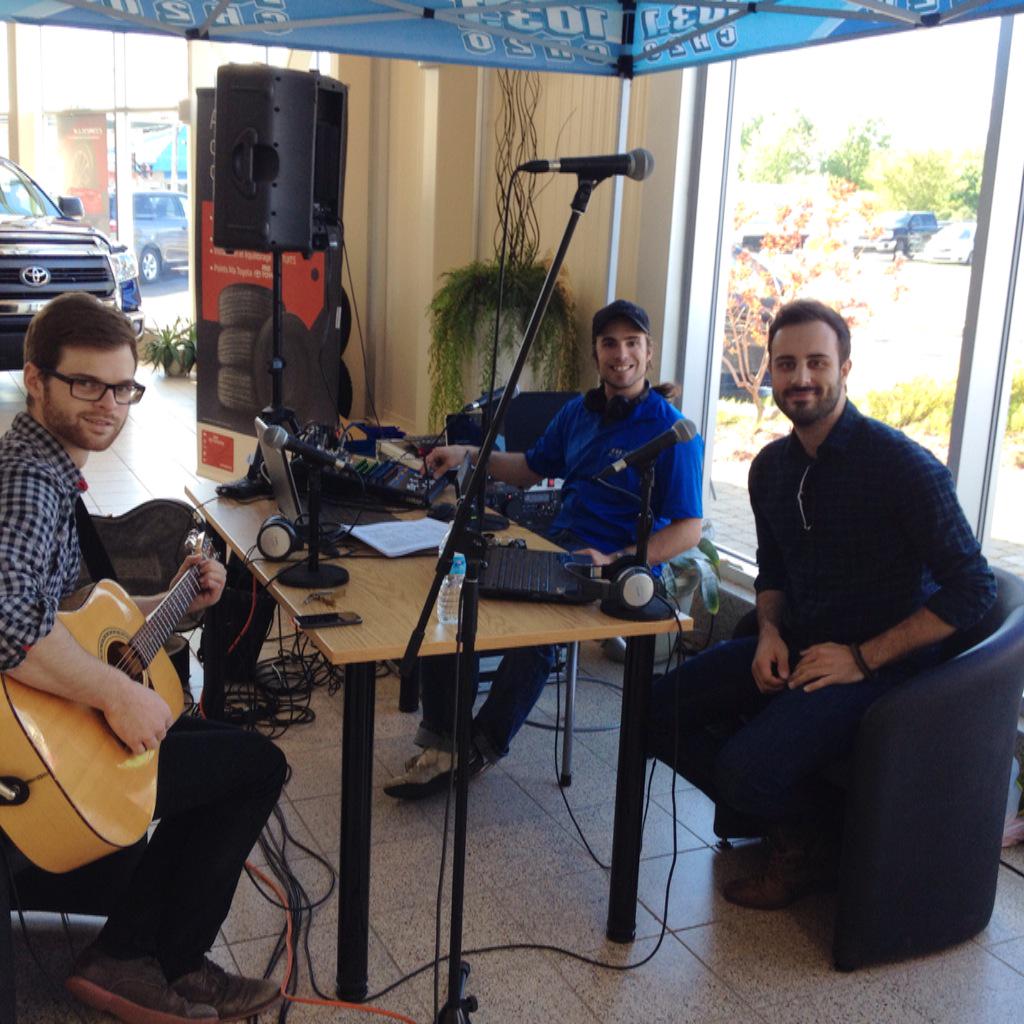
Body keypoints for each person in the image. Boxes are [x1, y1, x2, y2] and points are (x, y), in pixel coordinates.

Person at [647, 298, 996, 910]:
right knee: (653, 709)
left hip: (888, 668)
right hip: (800, 645)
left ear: (845, 368)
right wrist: (768, 634)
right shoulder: (771, 469)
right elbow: (775, 570)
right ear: (771, 373)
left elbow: (974, 587)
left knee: (743, 772)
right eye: (785, 364)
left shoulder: (903, 468)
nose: (800, 378)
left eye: (816, 362)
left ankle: (814, 841)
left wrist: (861, 659)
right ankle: (801, 824)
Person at [0, 293, 287, 1023]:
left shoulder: (48, 465)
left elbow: (68, 611)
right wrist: (115, 694)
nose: (109, 404)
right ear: (36, 380)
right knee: (253, 768)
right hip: (42, 745)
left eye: (122, 386)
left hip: (60, 706)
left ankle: (156, 952)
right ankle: (139, 959)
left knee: (235, 757)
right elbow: (7, 627)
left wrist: (173, 601)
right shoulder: (30, 485)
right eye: (86, 384)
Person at [384, 299, 705, 799]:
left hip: (613, 566)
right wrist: (467, 454)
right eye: (609, 344)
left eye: (632, 343)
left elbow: (689, 529)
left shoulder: (673, 432)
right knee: (455, 589)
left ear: (648, 351)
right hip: (558, 542)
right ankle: (443, 736)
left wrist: (617, 560)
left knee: (534, 634)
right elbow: (530, 467)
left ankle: (480, 747)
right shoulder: (579, 412)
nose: (621, 354)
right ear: (596, 353)